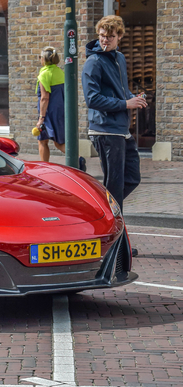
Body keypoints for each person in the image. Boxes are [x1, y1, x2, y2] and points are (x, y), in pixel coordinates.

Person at [82, 15, 148, 257]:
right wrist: (124, 102)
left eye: (110, 36)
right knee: (115, 186)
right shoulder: (93, 63)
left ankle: (98, 205)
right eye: (101, 35)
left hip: (121, 130)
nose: (104, 40)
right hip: (104, 130)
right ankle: (116, 245)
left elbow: (121, 90)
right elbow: (92, 100)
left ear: (119, 37)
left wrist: (133, 98)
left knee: (131, 178)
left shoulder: (119, 58)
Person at [35, 46, 86, 171]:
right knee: (59, 142)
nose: (39, 59)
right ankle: (78, 159)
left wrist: (41, 118)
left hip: (48, 113)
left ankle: (44, 167)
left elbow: (44, 98)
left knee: (42, 141)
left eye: (40, 57)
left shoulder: (44, 75)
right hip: (61, 111)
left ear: (44, 60)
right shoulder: (60, 72)